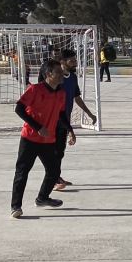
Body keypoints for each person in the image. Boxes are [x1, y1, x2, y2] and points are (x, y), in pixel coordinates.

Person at [10, 59, 69, 219]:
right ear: (48, 74)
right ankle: (16, 206)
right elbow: (19, 108)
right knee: (22, 172)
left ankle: (42, 198)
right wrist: (38, 127)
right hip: (29, 138)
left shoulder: (61, 93)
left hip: (48, 140)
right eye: (58, 72)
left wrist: (70, 130)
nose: (62, 74)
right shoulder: (35, 89)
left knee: (54, 171)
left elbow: (61, 114)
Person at [50, 50, 96, 191]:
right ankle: (53, 179)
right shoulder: (55, 79)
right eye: (72, 60)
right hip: (53, 120)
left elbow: (76, 97)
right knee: (53, 152)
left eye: (75, 60)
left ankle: (56, 176)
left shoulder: (73, 77)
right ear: (62, 62)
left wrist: (89, 114)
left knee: (60, 151)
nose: (75, 63)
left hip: (65, 120)